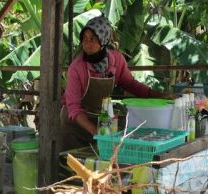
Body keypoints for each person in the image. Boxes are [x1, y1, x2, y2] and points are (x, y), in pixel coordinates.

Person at [60, 15, 166, 151]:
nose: (87, 44)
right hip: (75, 126)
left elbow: (132, 85)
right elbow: (74, 108)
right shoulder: (77, 67)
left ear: (103, 39)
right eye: (84, 39)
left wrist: (159, 95)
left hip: (101, 121)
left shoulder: (116, 60)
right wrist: (95, 131)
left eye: (92, 39)